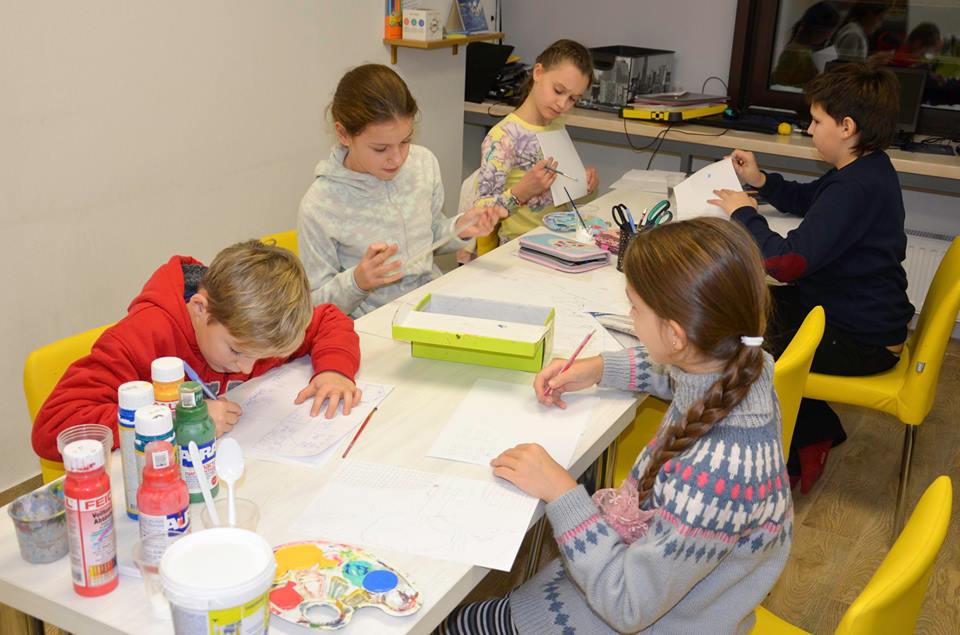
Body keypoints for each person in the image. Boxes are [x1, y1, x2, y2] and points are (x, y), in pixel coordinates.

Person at [439, 218, 792, 634]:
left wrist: (562, 492)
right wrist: (598, 368)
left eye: (635, 308)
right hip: (651, 587)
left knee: (455, 624)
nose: (630, 316)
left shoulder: (715, 474)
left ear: (676, 335)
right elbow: (681, 375)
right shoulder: (747, 366)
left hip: (646, 616)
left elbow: (628, 605)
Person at [710, 62, 913, 492]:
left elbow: (785, 263)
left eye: (817, 121)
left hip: (860, 341)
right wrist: (760, 180)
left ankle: (792, 442)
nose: (809, 129)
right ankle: (813, 430)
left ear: (846, 127)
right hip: (854, 318)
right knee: (744, 315)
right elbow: (810, 199)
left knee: (742, 343)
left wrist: (743, 213)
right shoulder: (867, 167)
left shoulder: (854, 187)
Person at [33, 240, 362, 462]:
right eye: (236, 351)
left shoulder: (256, 327)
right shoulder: (145, 336)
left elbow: (327, 319)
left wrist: (334, 370)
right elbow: (53, 428)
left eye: (261, 358)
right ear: (201, 308)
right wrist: (178, 421)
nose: (246, 369)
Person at [298, 64, 505, 318]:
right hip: (370, 324)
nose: (397, 159)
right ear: (343, 134)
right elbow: (313, 307)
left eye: (405, 141)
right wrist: (357, 282)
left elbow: (430, 235)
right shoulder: (320, 205)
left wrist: (461, 227)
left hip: (429, 306)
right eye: (380, 148)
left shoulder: (423, 164)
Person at [472, 39, 599, 252]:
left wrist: (580, 181)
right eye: (558, 90)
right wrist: (522, 192)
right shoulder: (504, 137)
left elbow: (557, 194)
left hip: (557, 242)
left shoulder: (555, 125)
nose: (563, 104)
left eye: (573, 99)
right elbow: (479, 213)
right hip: (519, 249)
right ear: (538, 73)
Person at [771, 2, 841, 87]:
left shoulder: (809, 49)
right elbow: (779, 83)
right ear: (815, 30)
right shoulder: (794, 52)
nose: (828, 37)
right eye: (826, 34)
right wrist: (812, 85)